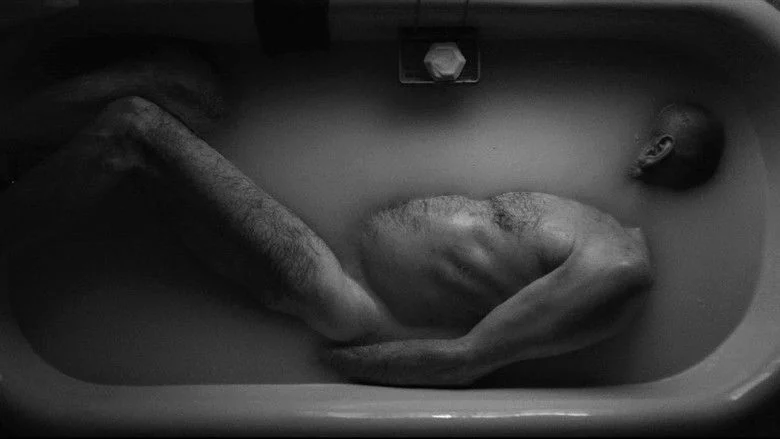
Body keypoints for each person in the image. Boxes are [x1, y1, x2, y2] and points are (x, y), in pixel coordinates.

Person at [0, 42, 724, 387]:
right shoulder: (602, 220)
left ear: (658, 147)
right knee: (188, 88)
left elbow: (467, 359)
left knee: (135, 127)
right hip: (330, 237)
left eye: (648, 130)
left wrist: (320, 369)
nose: (633, 138)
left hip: (341, 291)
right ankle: (26, 148)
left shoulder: (617, 266)